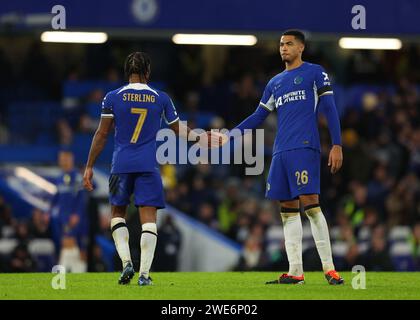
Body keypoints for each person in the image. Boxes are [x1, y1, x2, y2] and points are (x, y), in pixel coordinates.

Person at [223, 30, 344, 285]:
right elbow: (258, 116)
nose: (283, 48)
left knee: (311, 205)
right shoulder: (275, 82)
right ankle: (295, 272)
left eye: (289, 44)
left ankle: (330, 269)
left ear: (301, 48)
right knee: (287, 211)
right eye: (281, 44)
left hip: (304, 147)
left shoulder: (314, 72)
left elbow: (329, 108)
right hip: (280, 152)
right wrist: (230, 135)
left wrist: (336, 144)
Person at [83, 52, 212, 286]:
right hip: (147, 165)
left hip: (120, 165)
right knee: (149, 220)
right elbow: (178, 130)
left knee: (117, 215)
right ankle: (144, 274)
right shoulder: (161, 98)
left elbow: (101, 134)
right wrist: (200, 137)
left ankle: (126, 263)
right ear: (148, 72)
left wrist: (89, 166)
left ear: (126, 72)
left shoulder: (112, 97)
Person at [50, 150, 88, 273]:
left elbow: (82, 198)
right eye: (61, 159)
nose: (63, 161)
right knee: (67, 243)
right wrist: (48, 211)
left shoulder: (77, 177)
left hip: (74, 217)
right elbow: (56, 196)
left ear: (71, 160)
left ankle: (72, 271)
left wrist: (77, 214)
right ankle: (72, 271)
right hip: (63, 217)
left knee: (76, 245)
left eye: (65, 158)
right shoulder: (60, 177)